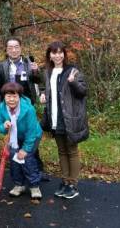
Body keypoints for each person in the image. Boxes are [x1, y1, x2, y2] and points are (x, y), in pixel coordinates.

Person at [40, 41, 88, 199]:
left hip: (69, 118)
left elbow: (83, 92)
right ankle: (65, 181)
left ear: (64, 54)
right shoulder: (48, 72)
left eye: (60, 52)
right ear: (50, 55)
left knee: (72, 151)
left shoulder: (72, 71)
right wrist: (43, 94)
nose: (57, 55)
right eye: (54, 52)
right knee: (61, 151)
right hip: (54, 118)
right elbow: (47, 90)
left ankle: (73, 184)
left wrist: (73, 82)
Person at [0, 82, 43, 199]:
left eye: (14, 96)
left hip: (32, 136)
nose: (11, 99)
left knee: (27, 158)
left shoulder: (28, 109)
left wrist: (25, 149)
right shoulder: (1, 107)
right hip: (14, 138)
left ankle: (34, 186)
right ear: (4, 97)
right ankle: (19, 185)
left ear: (19, 96)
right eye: (8, 96)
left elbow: (31, 132)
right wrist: (4, 126)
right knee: (14, 158)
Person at [0, 37, 40, 101]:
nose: (14, 50)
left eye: (16, 47)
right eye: (10, 48)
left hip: (27, 101)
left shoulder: (29, 63)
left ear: (20, 48)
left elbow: (38, 81)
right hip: (9, 102)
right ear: (6, 50)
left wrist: (35, 71)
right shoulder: (1, 66)